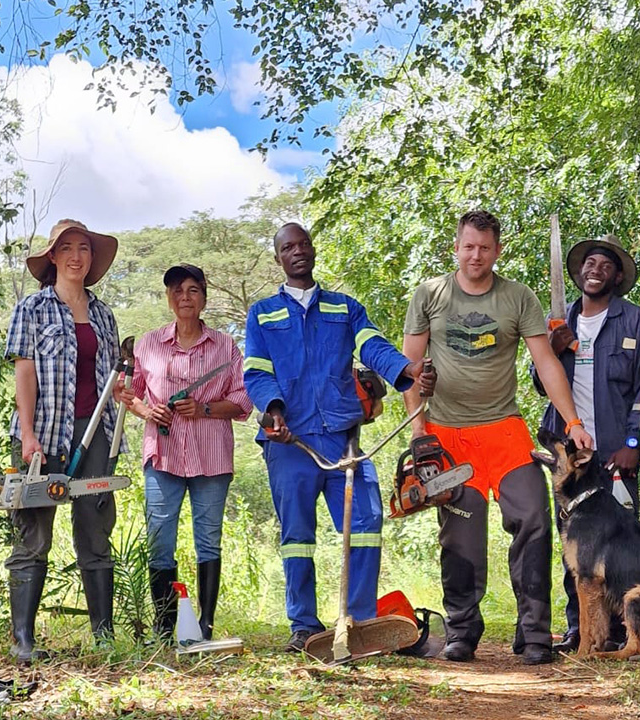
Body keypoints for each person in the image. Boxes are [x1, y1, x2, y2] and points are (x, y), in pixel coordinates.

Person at [402, 209, 594, 666]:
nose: (476, 255)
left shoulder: (516, 297)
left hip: (505, 429)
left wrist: (573, 422)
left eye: (485, 248)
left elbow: (546, 363)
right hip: (447, 434)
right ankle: (462, 631)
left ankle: (534, 635)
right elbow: (408, 367)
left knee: (534, 517)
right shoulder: (430, 294)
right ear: (456, 247)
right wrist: (418, 433)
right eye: (468, 246)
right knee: (461, 534)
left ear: (497, 250)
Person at [242, 223, 436, 652]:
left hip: (343, 439)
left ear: (312, 251)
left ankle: (360, 622)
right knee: (297, 535)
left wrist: (407, 371)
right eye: (288, 247)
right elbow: (256, 371)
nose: (298, 252)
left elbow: (373, 347)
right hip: (290, 442)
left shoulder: (344, 308)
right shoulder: (262, 314)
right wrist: (273, 411)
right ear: (279, 258)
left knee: (366, 523)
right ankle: (303, 626)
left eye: (303, 244)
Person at [4, 219, 123, 663]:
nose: (76, 256)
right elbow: (25, 372)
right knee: (35, 530)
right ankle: (23, 642)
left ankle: (104, 639)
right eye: (67, 248)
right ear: (52, 257)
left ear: (92, 260)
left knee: (95, 531)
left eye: (85, 249)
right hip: (44, 435)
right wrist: (29, 434)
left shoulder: (103, 314)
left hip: (96, 434)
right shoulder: (32, 309)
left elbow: (113, 377)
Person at [115, 264, 253, 641]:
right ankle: (163, 629)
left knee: (208, 538)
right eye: (177, 291)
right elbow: (128, 392)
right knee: (160, 538)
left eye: (193, 290)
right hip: (163, 454)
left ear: (204, 297)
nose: (185, 298)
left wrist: (205, 409)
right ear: (168, 299)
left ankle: (204, 628)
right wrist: (147, 410)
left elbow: (243, 399)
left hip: (211, 457)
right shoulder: (147, 344)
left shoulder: (225, 346)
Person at [532, 234, 640, 654]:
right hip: (570, 453)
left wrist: (633, 439)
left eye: (605, 264)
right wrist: (553, 348)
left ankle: (622, 629)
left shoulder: (634, 320)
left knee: (620, 541)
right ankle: (578, 629)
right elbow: (539, 383)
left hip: (614, 451)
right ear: (579, 272)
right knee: (573, 545)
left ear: (617, 275)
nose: (594, 269)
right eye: (589, 262)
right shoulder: (559, 320)